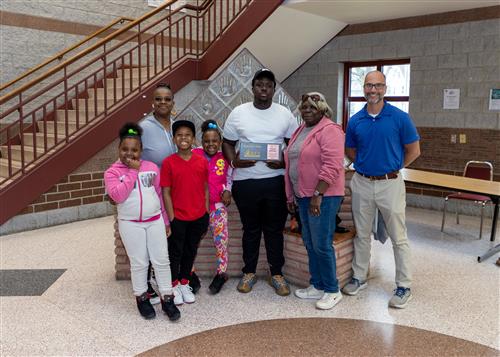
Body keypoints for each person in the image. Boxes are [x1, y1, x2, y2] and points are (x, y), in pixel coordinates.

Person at [343, 70, 421, 309]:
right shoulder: (356, 120)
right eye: (368, 86)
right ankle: (359, 277)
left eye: (377, 86)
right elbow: (351, 152)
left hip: (391, 184)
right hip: (363, 182)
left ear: (385, 88)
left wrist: (393, 168)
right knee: (362, 234)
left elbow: (413, 151)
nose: (372, 90)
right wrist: (368, 166)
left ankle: (403, 286)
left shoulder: (399, 118)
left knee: (399, 237)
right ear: (364, 89)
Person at [222, 68, 298, 296]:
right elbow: (227, 142)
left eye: (268, 85)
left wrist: (284, 163)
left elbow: (293, 145)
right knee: (251, 230)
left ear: (274, 89)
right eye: (259, 84)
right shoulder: (238, 113)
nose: (264, 88)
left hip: (275, 182)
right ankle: (249, 272)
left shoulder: (284, 114)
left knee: (274, 230)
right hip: (245, 183)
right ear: (252, 87)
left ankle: (277, 274)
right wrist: (234, 162)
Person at [104, 122, 180, 321]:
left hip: (154, 221)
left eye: (134, 150)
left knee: (161, 260)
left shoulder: (152, 168)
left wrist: (165, 221)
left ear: (141, 150)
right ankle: (142, 297)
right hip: (130, 224)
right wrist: (132, 171)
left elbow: (158, 194)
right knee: (139, 262)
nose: (130, 154)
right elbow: (118, 196)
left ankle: (167, 297)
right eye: (125, 149)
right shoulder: (112, 173)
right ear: (119, 149)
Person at [140, 83, 201, 297]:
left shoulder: (177, 127)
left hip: (177, 195)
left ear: (173, 103)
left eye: (167, 99)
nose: (163, 102)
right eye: (158, 99)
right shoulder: (144, 127)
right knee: (153, 239)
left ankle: (176, 277)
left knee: (174, 239)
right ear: (152, 103)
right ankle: (147, 282)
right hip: (153, 194)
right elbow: (129, 156)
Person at [284, 92, 345, 310]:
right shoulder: (301, 130)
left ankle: (332, 289)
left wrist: (317, 195)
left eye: (312, 107)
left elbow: (332, 165)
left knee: (321, 244)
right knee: (310, 243)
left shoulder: (330, 130)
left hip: (323, 197)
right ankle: (317, 284)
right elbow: (292, 163)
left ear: (322, 109)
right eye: (304, 107)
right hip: (302, 196)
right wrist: (291, 196)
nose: (307, 111)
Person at [161, 120, 210, 306]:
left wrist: (205, 211)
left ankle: (184, 283)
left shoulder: (201, 161)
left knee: (190, 251)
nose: (184, 138)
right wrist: (171, 217)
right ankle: (173, 285)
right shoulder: (168, 163)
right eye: (179, 135)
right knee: (175, 253)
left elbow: (205, 188)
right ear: (174, 139)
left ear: (193, 138)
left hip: (198, 216)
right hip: (178, 218)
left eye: (187, 135)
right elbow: (165, 191)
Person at [192, 120, 233, 294]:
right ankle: (190, 273)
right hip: (197, 207)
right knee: (192, 241)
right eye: (207, 141)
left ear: (220, 142)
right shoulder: (194, 154)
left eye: (214, 141)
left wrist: (228, 190)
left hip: (217, 207)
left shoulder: (224, 157)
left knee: (221, 242)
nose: (210, 144)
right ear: (201, 141)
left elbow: (231, 176)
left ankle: (221, 273)